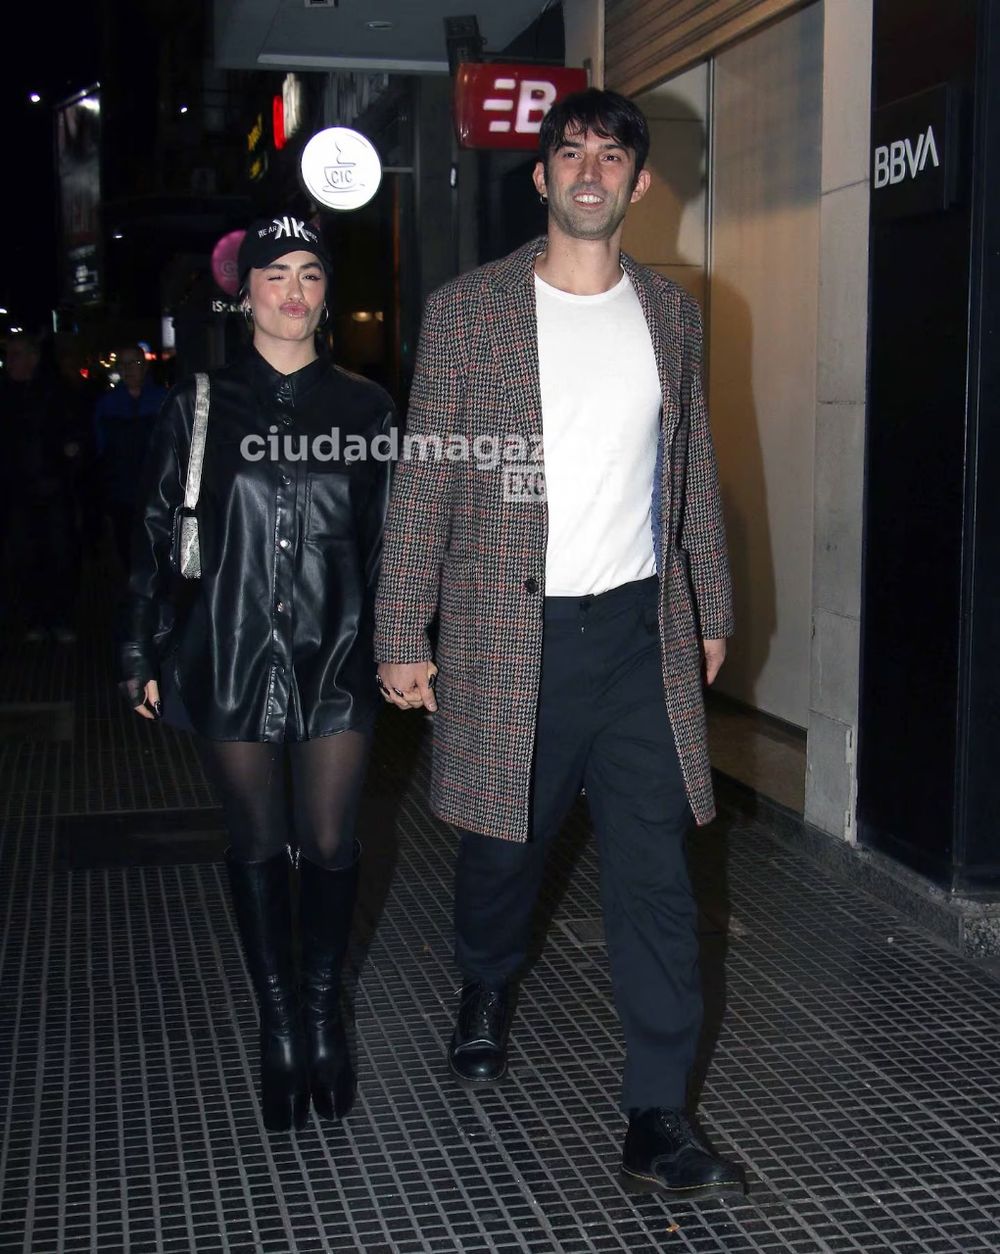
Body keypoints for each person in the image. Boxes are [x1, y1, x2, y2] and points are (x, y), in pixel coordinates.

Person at [375, 89, 747, 1198]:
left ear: (639, 185)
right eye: (570, 152)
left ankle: (656, 1113)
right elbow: (427, 476)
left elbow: (689, 476)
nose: (590, 170)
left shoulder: (672, 318)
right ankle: (486, 979)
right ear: (540, 178)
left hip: (636, 638)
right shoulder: (469, 313)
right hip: (506, 634)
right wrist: (402, 626)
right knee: (502, 854)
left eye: (612, 155)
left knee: (656, 879)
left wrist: (710, 608)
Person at [119, 214, 393, 1132]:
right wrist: (138, 651)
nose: (293, 290)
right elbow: (155, 533)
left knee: (327, 843)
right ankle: (276, 1026)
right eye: (275, 273)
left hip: (340, 654)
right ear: (245, 294)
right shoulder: (198, 404)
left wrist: (405, 644)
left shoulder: (366, 409)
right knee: (254, 844)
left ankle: (323, 1019)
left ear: (327, 293)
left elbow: (391, 543)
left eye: (311, 274)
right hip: (227, 652)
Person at [1, 332, 85, 642]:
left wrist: (68, 463)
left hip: (53, 488)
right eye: (9, 355)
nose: (11, 362)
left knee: (59, 555)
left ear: (33, 358)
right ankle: (35, 617)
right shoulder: (7, 394)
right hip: (18, 491)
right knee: (26, 557)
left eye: (17, 355)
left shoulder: (53, 392)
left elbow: (74, 435)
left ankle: (59, 617)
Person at [94, 345, 167, 572]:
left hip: (156, 492)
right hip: (122, 492)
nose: (128, 370)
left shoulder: (163, 400)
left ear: (144, 367)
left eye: (134, 363)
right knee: (126, 548)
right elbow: (100, 449)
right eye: (123, 364)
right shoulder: (106, 405)